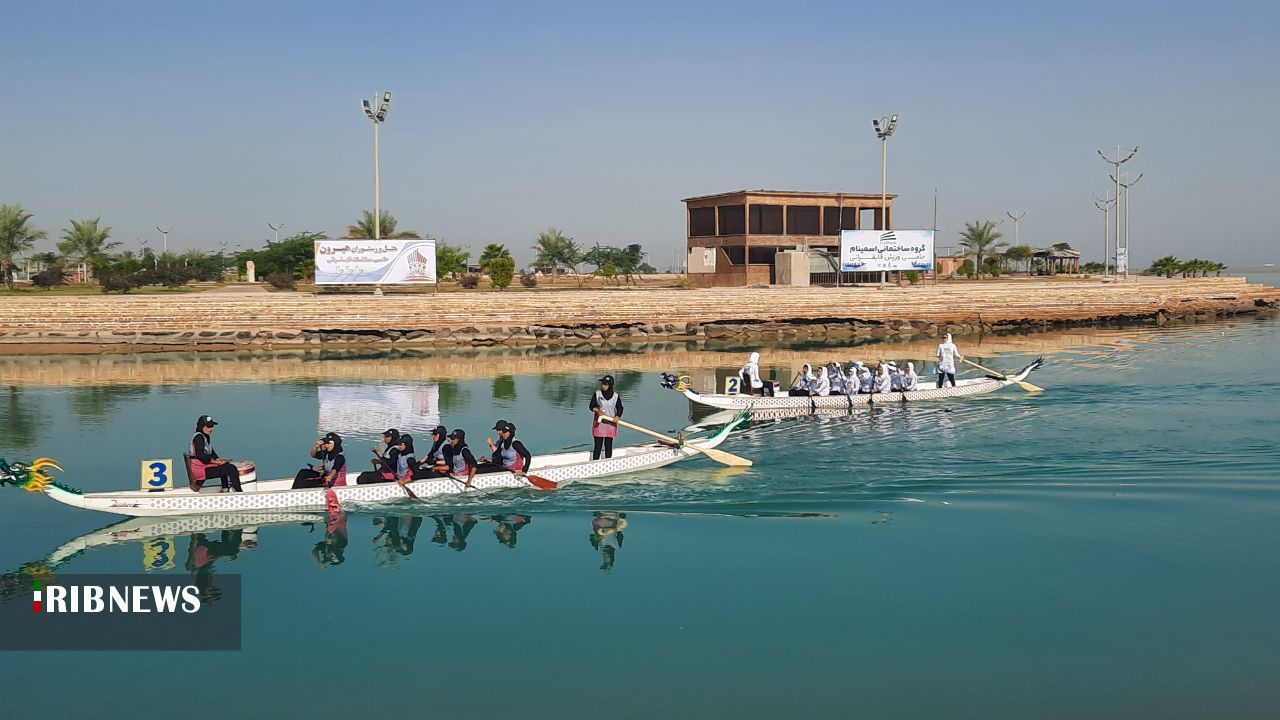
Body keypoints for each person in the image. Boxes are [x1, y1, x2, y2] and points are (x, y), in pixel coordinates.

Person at [189, 415, 241, 492]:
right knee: (231, 469)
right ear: (201, 426)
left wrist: (220, 460)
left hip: (204, 467)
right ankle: (239, 493)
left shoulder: (205, 437)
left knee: (225, 465)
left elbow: (212, 453)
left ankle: (225, 489)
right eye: (209, 426)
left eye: (212, 426)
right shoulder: (199, 438)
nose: (211, 429)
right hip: (200, 470)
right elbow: (201, 456)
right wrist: (216, 462)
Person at [589, 375, 623, 460]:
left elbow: (620, 408)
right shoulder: (597, 394)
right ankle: (595, 463)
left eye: (605, 384)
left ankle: (608, 462)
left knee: (608, 445)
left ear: (610, 385)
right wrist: (597, 411)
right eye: (603, 384)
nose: (603, 386)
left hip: (610, 424)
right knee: (598, 446)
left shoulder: (616, 397)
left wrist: (617, 416)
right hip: (599, 424)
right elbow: (591, 406)